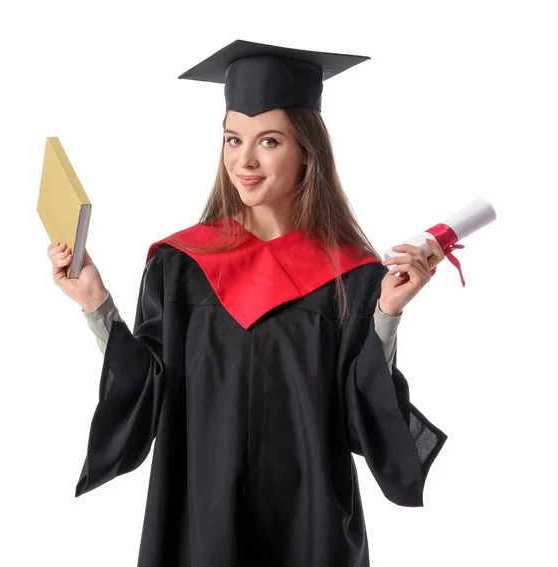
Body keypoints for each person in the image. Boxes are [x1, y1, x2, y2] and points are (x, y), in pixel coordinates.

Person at [47, 39, 449, 567]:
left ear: (308, 149)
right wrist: (96, 303)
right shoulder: (180, 264)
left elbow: (361, 409)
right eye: (233, 139)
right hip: (200, 512)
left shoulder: (350, 273)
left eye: (270, 141)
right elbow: (149, 387)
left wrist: (387, 314)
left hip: (311, 517)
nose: (245, 161)